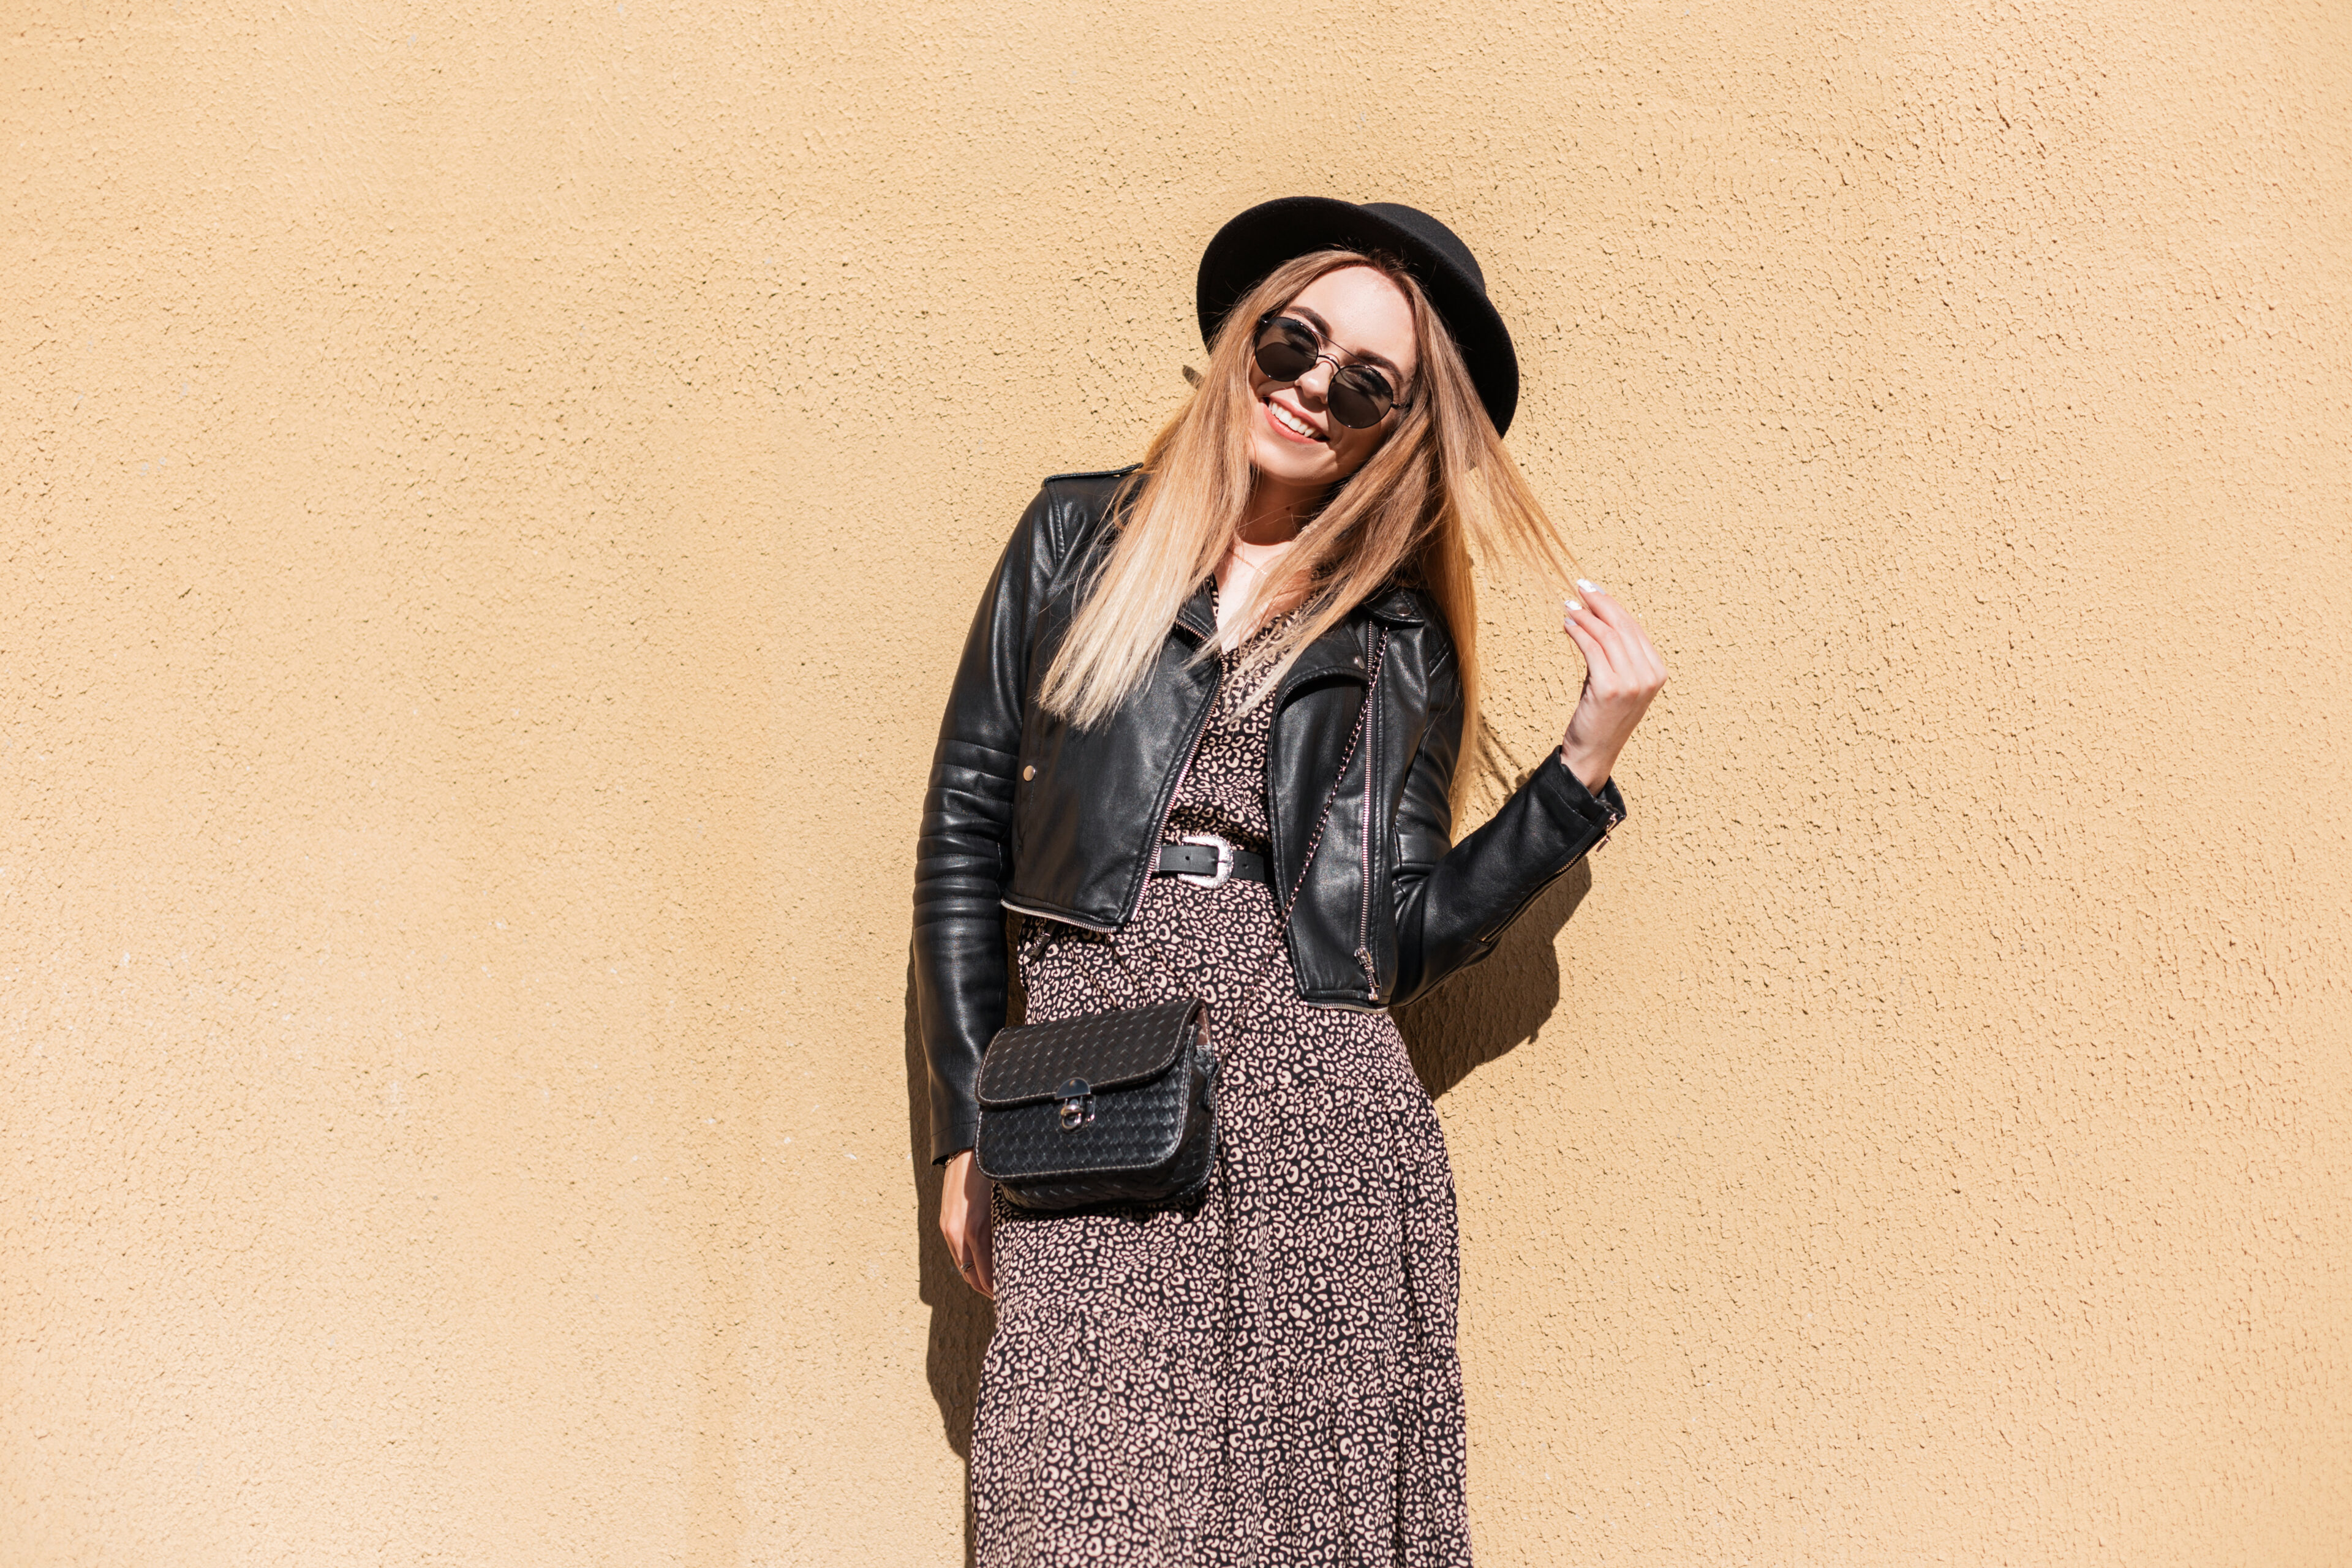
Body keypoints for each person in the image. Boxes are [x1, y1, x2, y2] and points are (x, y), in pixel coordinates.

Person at [912, 197, 1666, 1566]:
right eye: (1295, 343)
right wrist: (967, 1117)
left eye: (1366, 386)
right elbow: (966, 829)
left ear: (1396, 432)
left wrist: (1573, 777)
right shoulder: (1078, 539)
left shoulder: (1399, 640)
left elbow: (1396, 939)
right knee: (1072, 1512)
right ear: (1246, 339)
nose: (1315, 390)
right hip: (1091, 1087)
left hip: (1320, 1117)